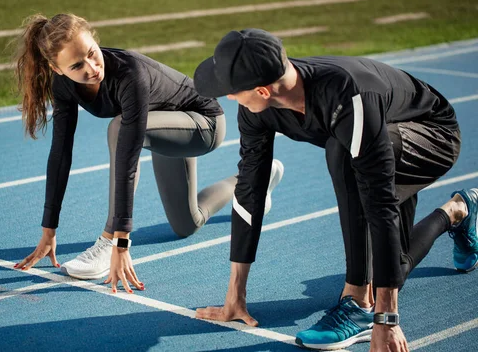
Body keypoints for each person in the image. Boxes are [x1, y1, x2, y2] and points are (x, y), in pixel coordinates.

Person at [192, 28, 477, 351]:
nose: (229, 97)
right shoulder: (258, 108)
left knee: (342, 155)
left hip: (431, 135)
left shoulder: (346, 97)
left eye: (232, 90)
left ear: (262, 90)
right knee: (392, 269)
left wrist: (386, 319)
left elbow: (379, 201)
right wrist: (235, 296)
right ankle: (458, 211)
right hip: (376, 138)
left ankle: (358, 305)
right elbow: (250, 189)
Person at [10, 14, 284, 293]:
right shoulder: (64, 86)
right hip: (162, 127)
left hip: (203, 123)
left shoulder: (130, 75)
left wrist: (120, 241)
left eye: (92, 54)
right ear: (57, 69)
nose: (92, 68)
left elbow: (128, 158)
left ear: (95, 41)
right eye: (77, 65)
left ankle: (106, 243)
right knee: (187, 224)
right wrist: (48, 231)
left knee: (118, 129)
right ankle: (255, 182)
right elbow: (60, 154)